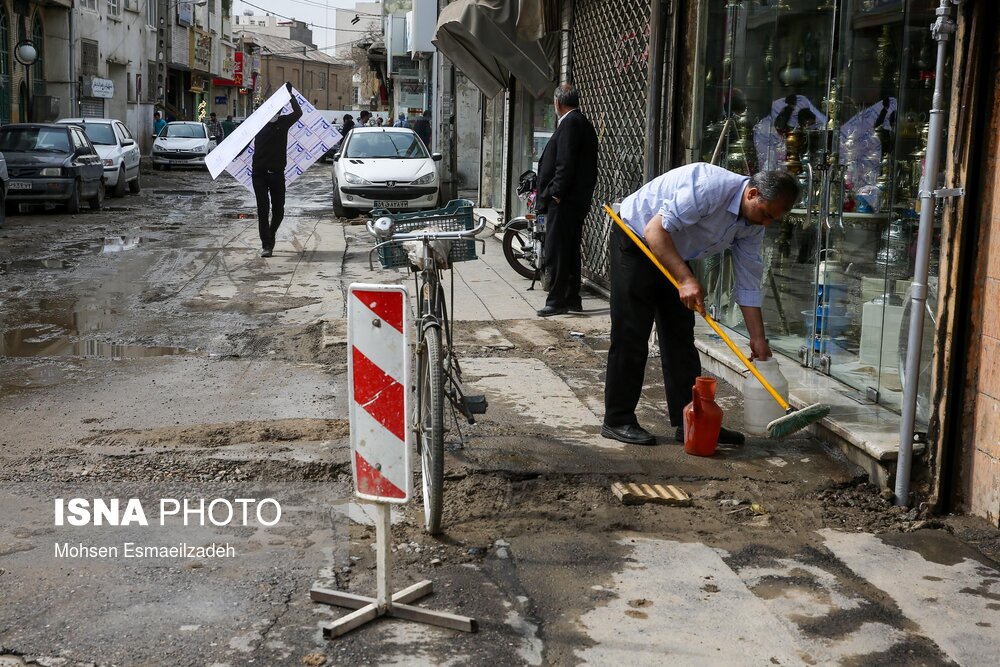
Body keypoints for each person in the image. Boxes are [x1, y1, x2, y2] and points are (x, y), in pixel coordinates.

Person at [601, 163, 799, 446]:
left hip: (674, 251)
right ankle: (617, 419)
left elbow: (748, 282)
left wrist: (757, 339)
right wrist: (686, 279)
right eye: (766, 215)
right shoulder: (708, 187)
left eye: (773, 220)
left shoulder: (752, 225)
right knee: (632, 333)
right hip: (637, 240)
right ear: (753, 194)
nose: (766, 224)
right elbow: (655, 230)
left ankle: (691, 420)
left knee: (680, 338)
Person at [535, 83, 599, 317]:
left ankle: (557, 299)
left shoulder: (571, 124)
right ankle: (572, 297)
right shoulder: (580, 123)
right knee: (570, 250)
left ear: (558, 103)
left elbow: (565, 164)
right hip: (573, 201)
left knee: (559, 250)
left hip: (565, 201)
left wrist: (555, 194)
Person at [251, 82, 303, 258]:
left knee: (279, 210)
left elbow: (298, 113)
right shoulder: (257, 123)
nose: (275, 114)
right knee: (263, 209)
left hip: (277, 173)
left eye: (277, 110)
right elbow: (239, 140)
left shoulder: (284, 122)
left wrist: (291, 95)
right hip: (259, 173)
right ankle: (266, 245)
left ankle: (271, 233)